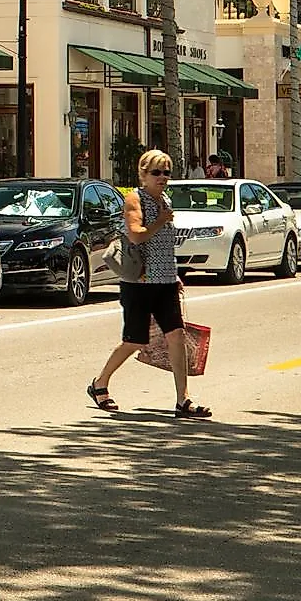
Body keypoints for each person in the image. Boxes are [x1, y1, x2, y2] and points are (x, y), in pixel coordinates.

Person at [90, 148, 210, 419]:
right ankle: (100, 383)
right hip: (140, 283)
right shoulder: (135, 199)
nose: (162, 177)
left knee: (176, 336)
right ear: (143, 174)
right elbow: (135, 236)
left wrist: (174, 274)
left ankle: (183, 400)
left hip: (165, 281)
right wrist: (160, 221)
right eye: (156, 172)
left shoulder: (165, 200)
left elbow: (165, 246)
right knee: (134, 340)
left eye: (166, 172)